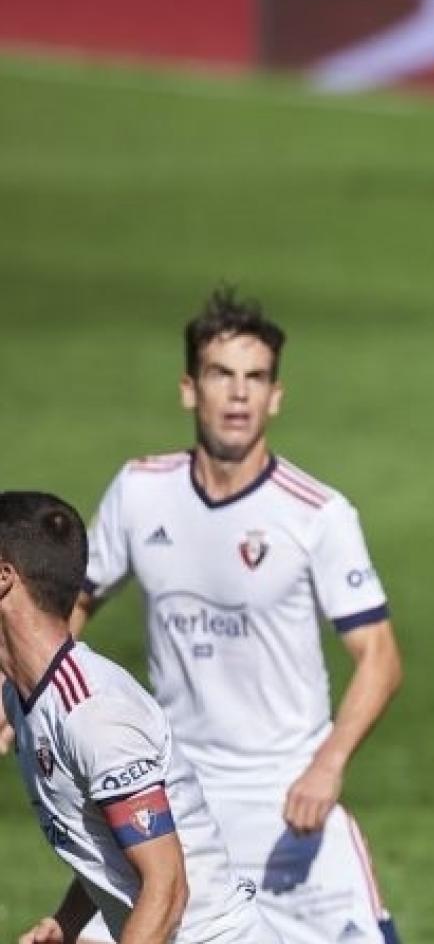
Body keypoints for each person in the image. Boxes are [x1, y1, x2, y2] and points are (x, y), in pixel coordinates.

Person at [16, 288, 405, 944]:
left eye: (255, 378)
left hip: (291, 810)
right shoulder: (141, 492)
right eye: (222, 374)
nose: (239, 394)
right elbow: (69, 602)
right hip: (177, 804)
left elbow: (380, 657)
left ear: (276, 395)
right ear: (189, 388)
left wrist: (329, 764)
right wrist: (30, 703)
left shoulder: (316, 512)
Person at [2, 491, 279, 944]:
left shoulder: (93, 714)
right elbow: (110, 841)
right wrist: (67, 924)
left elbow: (167, 888)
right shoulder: (28, 698)